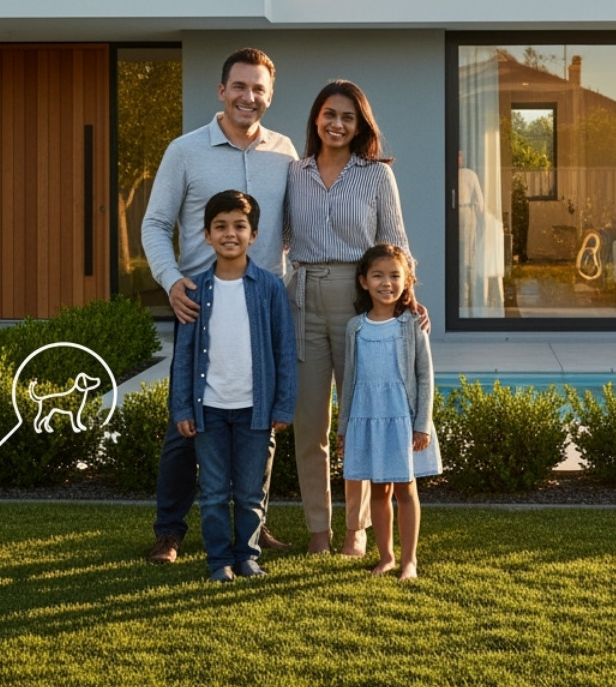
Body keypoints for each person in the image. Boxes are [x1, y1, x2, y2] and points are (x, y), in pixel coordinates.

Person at [141, 48, 298, 565]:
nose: (248, 97)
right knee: (186, 426)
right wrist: (171, 282)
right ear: (221, 91)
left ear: (269, 97)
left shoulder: (284, 152)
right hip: (199, 303)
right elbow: (155, 224)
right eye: (239, 86)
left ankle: (254, 528)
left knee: (260, 427)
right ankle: (170, 530)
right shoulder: (185, 151)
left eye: (258, 89)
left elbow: (295, 230)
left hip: (263, 302)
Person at [286, 80, 421, 556]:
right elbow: (276, 239)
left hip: (356, 298)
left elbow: (395, 242)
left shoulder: (376, 175)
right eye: (329, 114)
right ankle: (318, 531)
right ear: (316, 119)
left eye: (347, 117)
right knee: (310, 423)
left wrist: (406, 300)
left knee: (359, 418)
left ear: (360, 124)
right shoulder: (294, 172)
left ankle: (356, 531)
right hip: (301, 297)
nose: (337, 124)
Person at [170, 190, 297, 582]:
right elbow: (184, 357)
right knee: (211, 493)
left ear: (254, 234)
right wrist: (183, 409)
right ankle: (218, 561)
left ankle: (247, 556)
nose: (230, 234)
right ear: (206, 235)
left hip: (254, 410)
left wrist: (282, 406)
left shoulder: (270, 288)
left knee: (248, 492)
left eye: (239, 226)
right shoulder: (194, 290)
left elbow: (284, 349)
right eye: (220, 227)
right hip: (208, 410)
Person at [338, 243, 439, 581]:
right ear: (363, 281)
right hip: (367, 419)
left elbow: (425, 376)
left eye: (395, 276)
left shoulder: (412, 325)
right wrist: (343, 428)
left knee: (405, 489)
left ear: (407, 280)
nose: (386, 283)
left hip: (402, 419)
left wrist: (421, 423)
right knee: (378, 490)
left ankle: (409, 561)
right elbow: (349, 382)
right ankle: (386, 557)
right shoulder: (355, 327)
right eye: (378, 275)